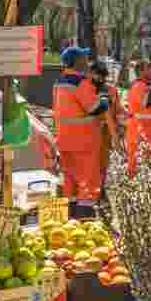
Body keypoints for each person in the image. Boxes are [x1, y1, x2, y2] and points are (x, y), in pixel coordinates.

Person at [53, 46, 109, 217]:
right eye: (84, 58)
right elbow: (95, 107)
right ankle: (86, 219)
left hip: (65, 139)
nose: (87, 61)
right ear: (77, 61)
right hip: (84, 142)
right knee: (88, 182)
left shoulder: (59, 82)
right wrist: (105, 100)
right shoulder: (80, 83)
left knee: (70, 182)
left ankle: (69, 218)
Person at [89, 57, 122, 201]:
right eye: (97, 75)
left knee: (105, 164)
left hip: (107, 131)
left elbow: (116, 109)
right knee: (93, 165)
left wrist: (124, 120)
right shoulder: (86, 88)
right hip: (92, 131)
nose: (100, 78)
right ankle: (95, 193)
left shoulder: (111, 90)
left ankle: (101, 192)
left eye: (102, 76)